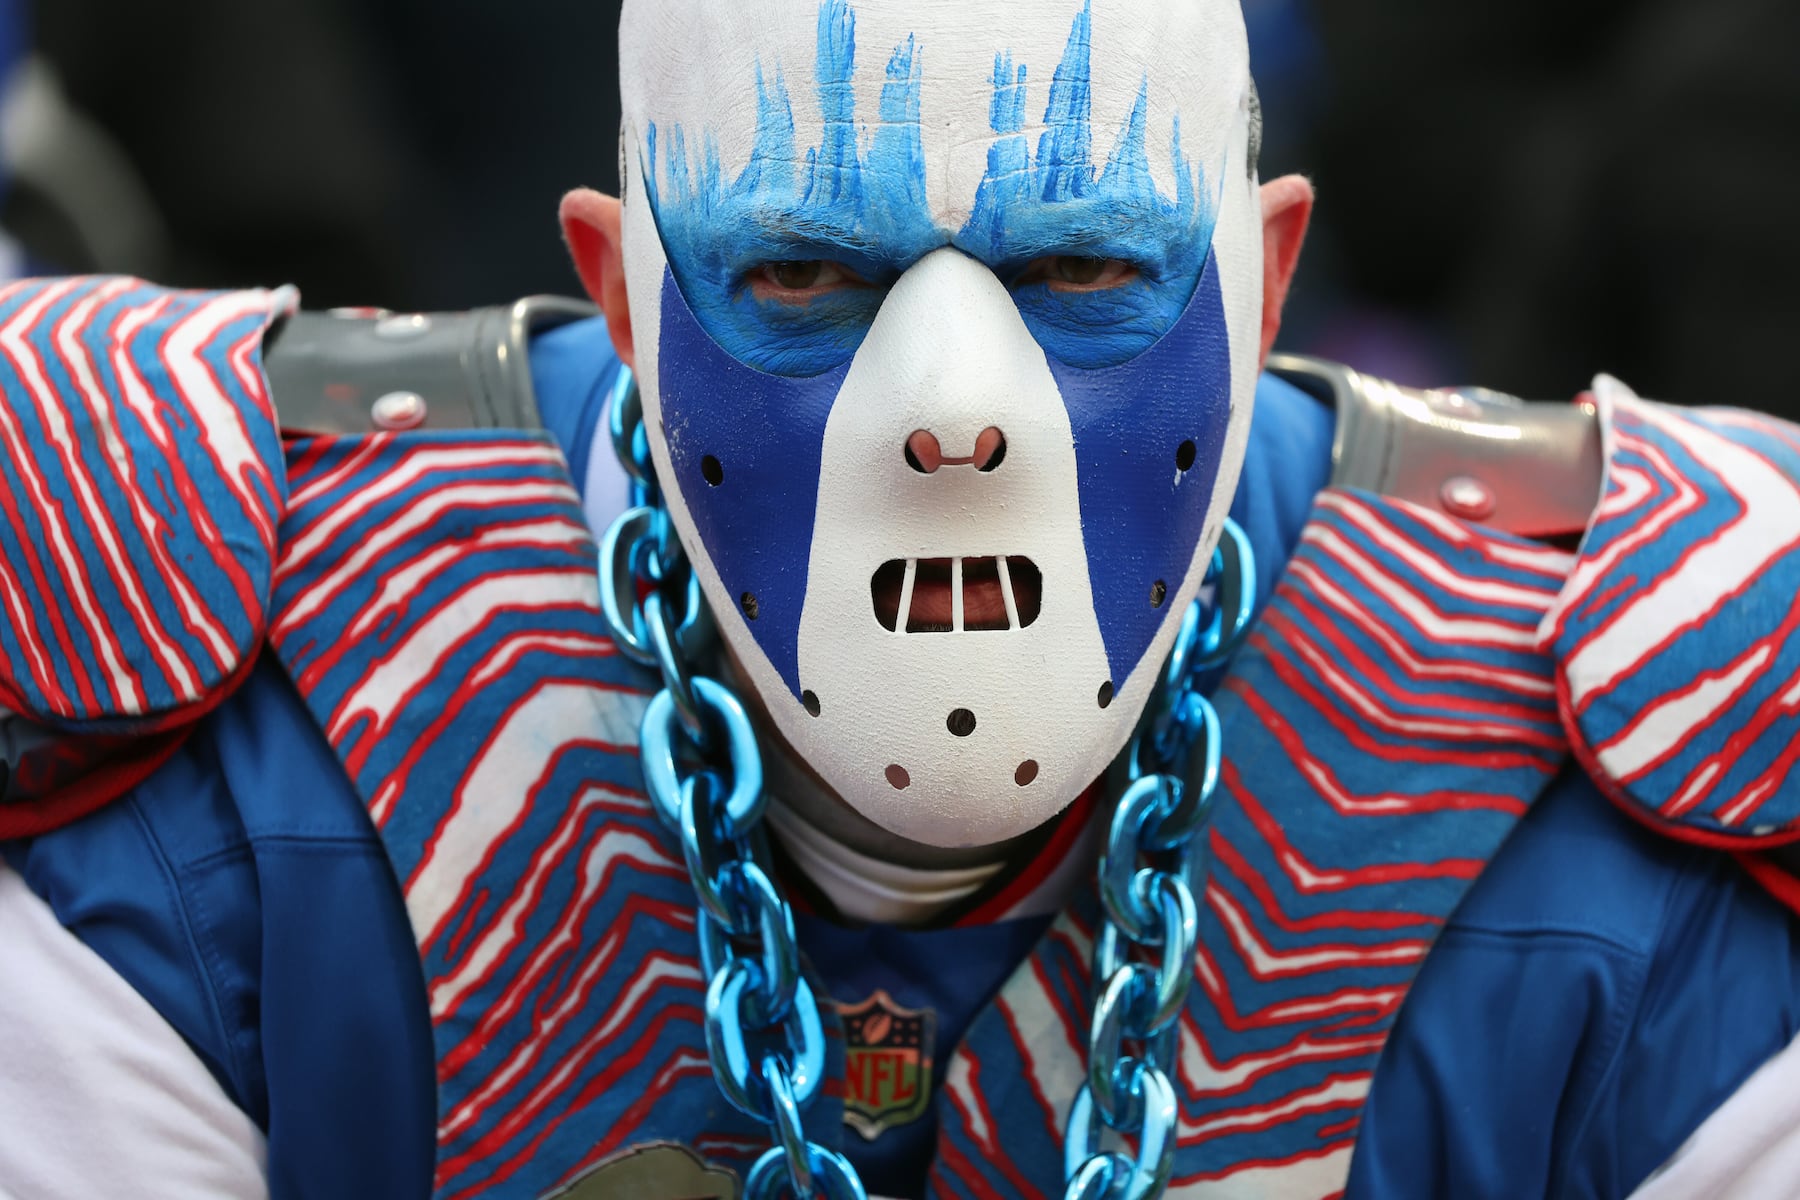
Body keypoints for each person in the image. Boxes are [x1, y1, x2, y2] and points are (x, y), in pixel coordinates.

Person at [2, 1, 1797, 1198]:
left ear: (1260, 287)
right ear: (623, 300)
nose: (953, 411)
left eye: (1087, 262)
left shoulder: (1649, 741)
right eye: (798, 270)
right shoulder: (212, 693)